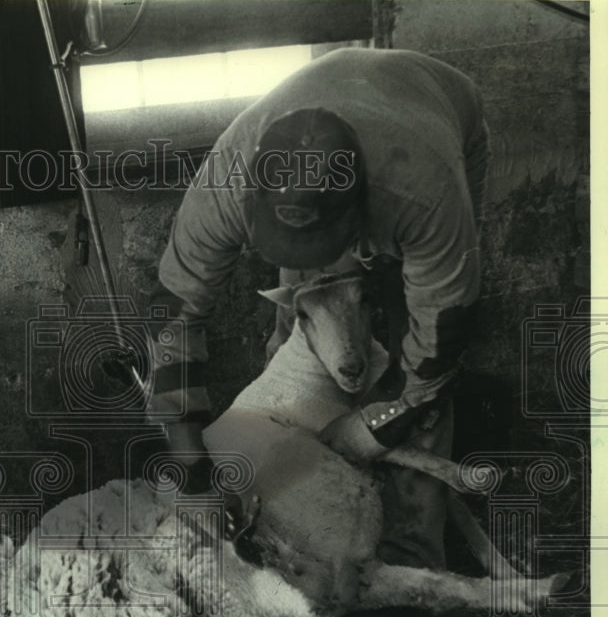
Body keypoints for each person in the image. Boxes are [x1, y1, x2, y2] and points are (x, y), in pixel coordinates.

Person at [147, 47, 489, 570]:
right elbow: (175, 312)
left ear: (359, 214)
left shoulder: (425, 194)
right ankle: (314, 519)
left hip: (430, 119)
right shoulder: (227, 181)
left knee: (414, 349)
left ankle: (407, 556)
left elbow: (442, 337)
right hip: (328, 165)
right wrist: (190, 463)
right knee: (304, 317)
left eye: (326, 244)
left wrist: (379, 422)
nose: (316, 263)